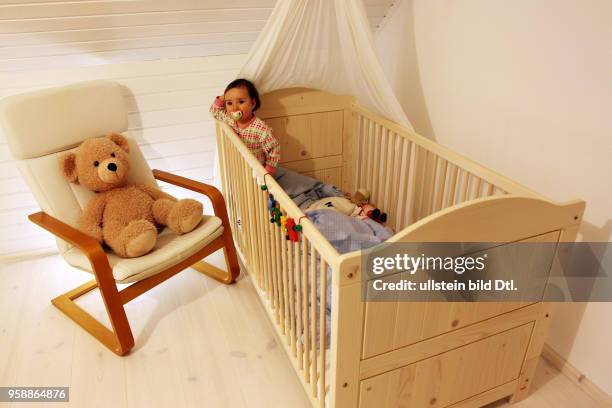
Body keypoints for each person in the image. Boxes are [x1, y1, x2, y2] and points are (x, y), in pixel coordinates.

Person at [210, 79, 280, 174]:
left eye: (241, 102)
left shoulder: (260, 129)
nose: (234, 108)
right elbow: (214, 111)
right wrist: (223, 97)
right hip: (236, 166)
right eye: (229, 103)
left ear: (253, 103)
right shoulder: (229, 120)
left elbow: (273, 149)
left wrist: (268, 171)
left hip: (255, 171)